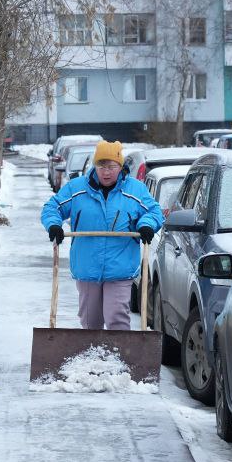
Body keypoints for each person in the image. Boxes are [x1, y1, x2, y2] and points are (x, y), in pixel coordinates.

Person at [40, 140, 164, 331]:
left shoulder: (135, 190)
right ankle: (92, 359)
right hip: (87, 267)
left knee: (116, 317)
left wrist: (146, 225)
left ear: (120, 166)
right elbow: (52, 208)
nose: (106, 172)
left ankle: (121, 356)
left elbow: (154, 212)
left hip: (120, 266)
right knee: (91, 321)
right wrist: (54, 225)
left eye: (111, 166)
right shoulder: (77, 188)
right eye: (101, 166)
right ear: (94, 166)